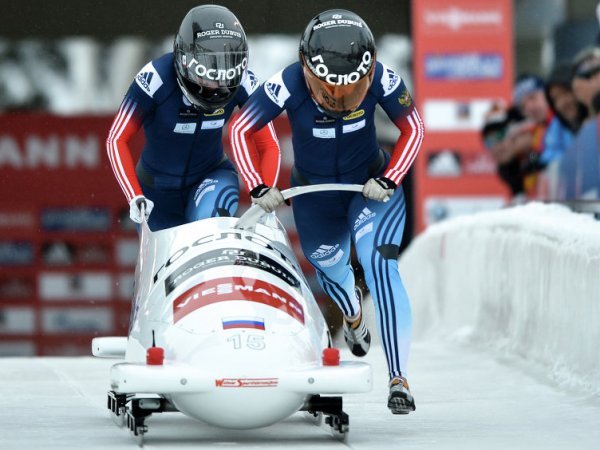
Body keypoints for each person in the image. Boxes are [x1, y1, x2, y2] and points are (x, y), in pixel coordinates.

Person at [230, 9, 424, 414]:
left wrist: (390, 178)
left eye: (352, 89)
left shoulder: (384, 78)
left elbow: (414, 128)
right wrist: (258, 185)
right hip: (315, 194)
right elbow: (238, 129)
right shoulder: (287, 83)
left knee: (379, 263)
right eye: (329, 89)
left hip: (369, 186)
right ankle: (352, 313)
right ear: (308, 71)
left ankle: (399, 378)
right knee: (331, 269)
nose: (339, 98)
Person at [106, 5, 279, 231]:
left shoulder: (245, 82)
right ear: (185, 60)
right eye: (208, 77)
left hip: (211, 177)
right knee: (169, 263)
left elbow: (268, 143)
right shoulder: (155, 79)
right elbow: (116, 139)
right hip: (156, 194)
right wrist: (134, 195)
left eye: (225, 76)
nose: (217, 89)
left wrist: (265, 192)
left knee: (211, 225)